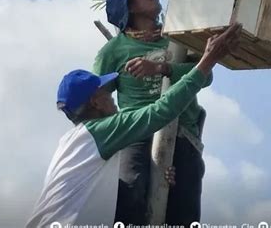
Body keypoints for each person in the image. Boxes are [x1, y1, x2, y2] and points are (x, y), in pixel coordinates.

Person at [26, 23, 241, 228]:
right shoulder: (100, 131)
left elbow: (117, 189)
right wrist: (208, 60)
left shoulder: (74, 144)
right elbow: (160, 111)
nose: (112, 98)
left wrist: (158, 176)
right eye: (106, 92)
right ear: (96, 101)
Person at [93, 0, 212, 225]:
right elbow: (96, 98)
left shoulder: (179, 38)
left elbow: (206, 75)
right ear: (129, 7)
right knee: (131, 191)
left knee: (183, 213)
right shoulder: (114, 51)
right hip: (136, 134)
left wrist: (162, 68)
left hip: (183, 134)